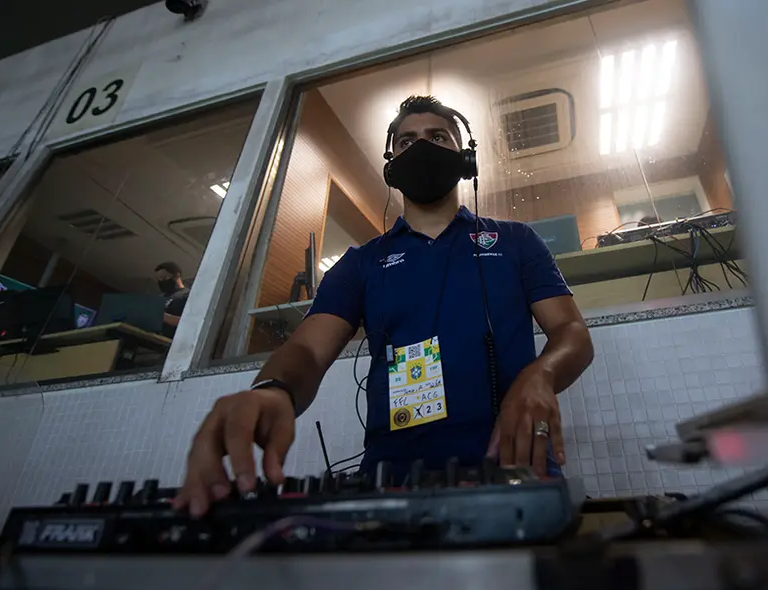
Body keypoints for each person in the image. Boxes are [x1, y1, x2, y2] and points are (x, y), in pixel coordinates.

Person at [174, 96, 594, 517]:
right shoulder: (361, 263)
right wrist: (274, 390)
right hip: (393, 484)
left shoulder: (515, 241)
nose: (422, 147)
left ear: (466, 158)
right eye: (407, 141)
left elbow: (571, 334)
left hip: (517, 468)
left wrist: (541, 375)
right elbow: (306, 349)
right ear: (391, 165)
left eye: (438, 136)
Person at [154, 261, 190, 338]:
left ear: (177, 275)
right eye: (158, 279)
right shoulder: (161, 297)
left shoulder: (187, 295)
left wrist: (162, 316)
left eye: (164, 277)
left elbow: (189, 322)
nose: (161, 281)